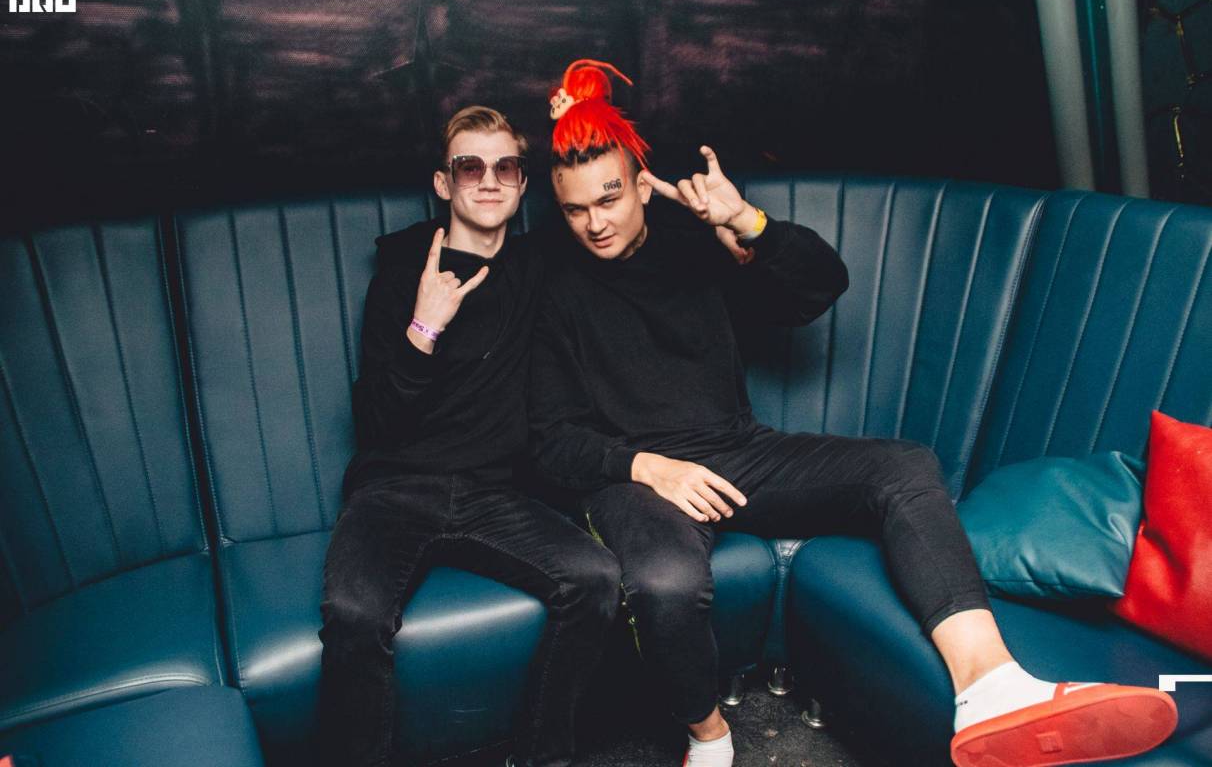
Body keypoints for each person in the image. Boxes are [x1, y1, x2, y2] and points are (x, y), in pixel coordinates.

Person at [528, 59, 1179, 767]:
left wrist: (745, 222)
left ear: (638, 185)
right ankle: (707, 736)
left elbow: (820, 286)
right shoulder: (548, 282)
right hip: (637, 478)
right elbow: (549, 440)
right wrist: (648, 468)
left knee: (904, 468)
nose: (595, 223)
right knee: (665, 583)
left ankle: (990, 686)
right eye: (575, 209)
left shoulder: (693, 241)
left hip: (736, 453)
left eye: (610, 198)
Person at [317, 105, 621, 767]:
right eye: (469, 167)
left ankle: (542, 757)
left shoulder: (537, 263)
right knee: (355, 614)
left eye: (505, 167)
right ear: (443, 182)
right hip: (395, 489)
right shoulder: (404, 272)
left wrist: (583, 115)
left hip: (494, 492)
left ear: (522, 183)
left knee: (596, 577)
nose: (488, 180)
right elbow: (374, 422)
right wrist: (423, 327)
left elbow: (611, 211)